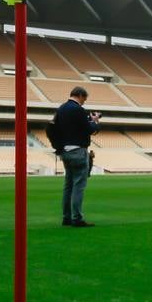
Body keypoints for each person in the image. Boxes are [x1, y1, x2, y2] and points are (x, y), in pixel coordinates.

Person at [52, 86, 100, 227]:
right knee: (79, 185)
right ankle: (77, 218)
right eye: (84, 99)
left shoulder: (61, 109)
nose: (84, 102)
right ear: (80, 95)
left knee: (68, 185)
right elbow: (89, 129)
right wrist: (95, 121)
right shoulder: (78, 109)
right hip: (78, 151)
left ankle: (66, 217)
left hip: (65, 151)